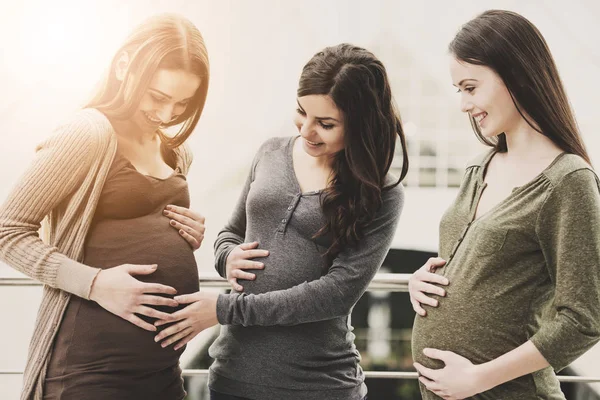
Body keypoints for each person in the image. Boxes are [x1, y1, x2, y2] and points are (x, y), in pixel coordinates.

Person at [152, 43, 409, 400]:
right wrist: (227, 256)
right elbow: (230, 233)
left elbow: (336, 294)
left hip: (319, 386)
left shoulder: (383, 195)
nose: (307, 130)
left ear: (361, 124)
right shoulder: (270, 152)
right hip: (233, 377)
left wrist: (225, 308)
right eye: (302, 112)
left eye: (326, 124)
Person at [0, 13, 209, 400]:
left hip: (163, 374)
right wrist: (95, 284)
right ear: (124, 67)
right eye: (158, 97)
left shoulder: (177, 151)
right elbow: (7, 231)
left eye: (182, 104)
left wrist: (184, 236)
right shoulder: (88, 133)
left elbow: (130, 228)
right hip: (90, 373)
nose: (166, 115)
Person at [408, 9, 600, 400]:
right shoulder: (479, 166)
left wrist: (480, 378)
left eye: (470, 87)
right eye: (458, 90)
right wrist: (419, 283)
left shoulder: (568, 181)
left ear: (516, 75)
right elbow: (476, 272)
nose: (463, 104)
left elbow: (585, 318)